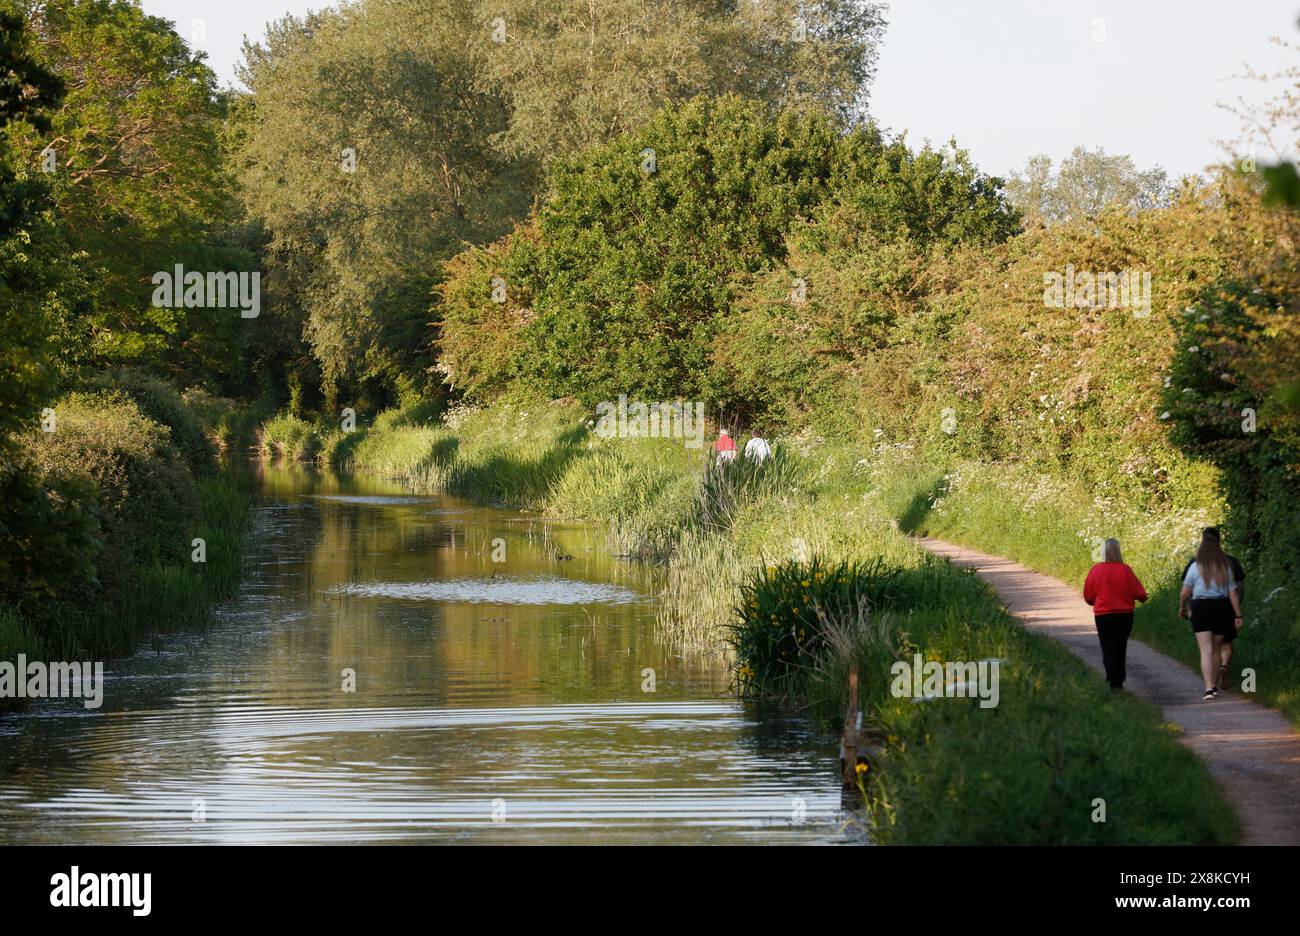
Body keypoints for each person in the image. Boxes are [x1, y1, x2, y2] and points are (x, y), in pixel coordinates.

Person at [1179, 529, 1243, 700]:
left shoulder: (1195, 566)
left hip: (1200, 607)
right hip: (1221, 608)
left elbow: (1185, 593)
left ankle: (1208, 688)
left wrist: (1182, 607)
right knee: (1215, 649)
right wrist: (1238, 615)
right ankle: (1214, 685)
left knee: (1205, 650)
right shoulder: (1225, 567)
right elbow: (1233, 593)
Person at [1083, 538, 1149, 690]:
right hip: (1124, 615)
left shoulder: (1096, 570)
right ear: (1118, 552)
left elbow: (1088, 596)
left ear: (1103, 553)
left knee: (1107, 647)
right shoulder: (1125, 570)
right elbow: (1139, 592)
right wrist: (1143, 598)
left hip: (1103, 615)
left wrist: (1096, 602)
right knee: (1120, 646)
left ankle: (1112, 679)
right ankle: (1119, 678)